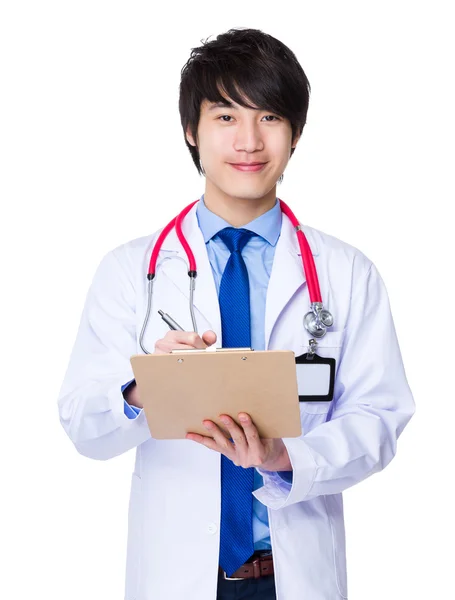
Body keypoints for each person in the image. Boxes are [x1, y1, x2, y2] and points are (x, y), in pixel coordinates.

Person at [57, 27, 415, 600]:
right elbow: (82, 424)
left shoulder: (347, 273)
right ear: (190, 132)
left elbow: (379, 419)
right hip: (178, 577)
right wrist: (144, 385)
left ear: (295, 134)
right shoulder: (131, 271)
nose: (248, 141)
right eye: (225, 116)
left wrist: (284, 457)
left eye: (269, 116)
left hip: (294, 575)